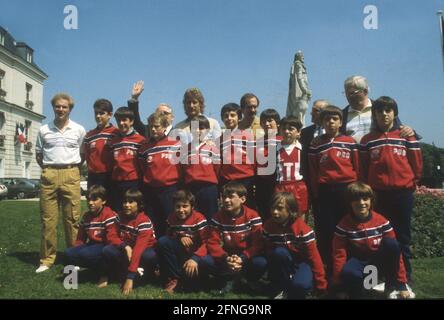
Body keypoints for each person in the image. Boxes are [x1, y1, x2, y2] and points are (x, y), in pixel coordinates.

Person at [360, 96, 422, 283]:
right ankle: (378, 276)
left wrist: (411, 183)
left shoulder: (406, 136)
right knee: (378, 235)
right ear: (374, 115)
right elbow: (364, 168)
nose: (384, 114)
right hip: (378, 195)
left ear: (394, 113)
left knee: (402, 236)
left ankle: (405, 277)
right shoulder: (367, 140)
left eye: (388, 110)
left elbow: (416, 164)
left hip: (402, 194)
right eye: (379, 111)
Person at [331, 182, 414, 299]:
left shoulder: (382, 221)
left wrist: (402, 283)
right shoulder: (343, 225)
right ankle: (363, 286)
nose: (361, 203)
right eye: (356, 200)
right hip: (358, 261)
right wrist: (340, 287)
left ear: (371, 201)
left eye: (365, 199)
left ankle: (392, 285)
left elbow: (397, 253)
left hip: (379, 261)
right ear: (349, 203)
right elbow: (339, 255)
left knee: (392, 244)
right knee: (349, 273)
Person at [35, 93, 86, 273]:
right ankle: (47, 259)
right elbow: (38, 154)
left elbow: (83, 153)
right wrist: (51, 169)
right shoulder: (44, 130)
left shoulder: (79, 129)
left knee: (72, 218)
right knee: (48, 220)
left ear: (70, 109)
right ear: (53, 108)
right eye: (58, 106)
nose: (61, 110)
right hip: (49, 174)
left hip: (71, 173)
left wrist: (71, 169)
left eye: (64, 107)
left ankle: (74, 257)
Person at [308, 105, 359, 274]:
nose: (330, 122)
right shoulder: (316, 144)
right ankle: (328, 270)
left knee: (348, 227)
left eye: (334, 119)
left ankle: (350, 266)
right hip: (325, 191)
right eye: (327, 119)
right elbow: (313, 170)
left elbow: (357, 166)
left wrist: (356, 189)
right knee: (327, 230)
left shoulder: (349, 142)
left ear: (340, 122)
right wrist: (316, 193)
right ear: (322, 122)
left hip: (347, 189)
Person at [200, 182, 266, 295]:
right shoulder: (217, 217)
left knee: (261, 262)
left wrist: (243, 258)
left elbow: (258, 243)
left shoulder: (253, 216)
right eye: (224, 196)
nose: (226, 200)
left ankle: (249, 279)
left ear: (243, 199)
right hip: (228, 256)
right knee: (206, 261)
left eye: (231, 197)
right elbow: (212, 243)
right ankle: (228, 278)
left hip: (246, 255)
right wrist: (226, 258)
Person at [263, 192, 327, 299]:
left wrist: (321, 283)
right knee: (279, 252)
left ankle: (303, 283)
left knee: (300, 286)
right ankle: (281, 285)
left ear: (290, 210)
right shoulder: (268, 226)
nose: (274, 212)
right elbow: (268, 250)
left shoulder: (303, 230)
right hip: (284, 261)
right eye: (272, 208)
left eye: (280, 208)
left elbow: (314, 258)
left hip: (302, 262)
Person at [100, 189, 158, 295]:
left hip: (145, 249)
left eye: (131, 202)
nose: (127, 205)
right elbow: (111, 236)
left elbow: (139, 249)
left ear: (139, 205)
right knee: (107, 250)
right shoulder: (119, 216)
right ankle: (116, 272)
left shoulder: (143, 221)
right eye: (125, 202)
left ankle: (149, 273)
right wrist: (125, 246)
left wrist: (130, 278)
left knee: (148, 256)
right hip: (128, 247)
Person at [157, 190, 209, 293]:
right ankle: (174, 279)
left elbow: (207, 242)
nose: (181, 210)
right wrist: (180, 237)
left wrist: (195, 258)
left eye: (185, 206)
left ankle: (189, 279)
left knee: (194, 284)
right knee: (163, 241)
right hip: (180, 253)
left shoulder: (199, 219)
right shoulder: (171, 218)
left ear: (192, 207)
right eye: (178, 206)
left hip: (196, 254)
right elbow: (169, 237)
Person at [138, 112, 181, 237]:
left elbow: (181, 168)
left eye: (156, 126)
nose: (153, 129)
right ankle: (154, 251)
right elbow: (143, 168)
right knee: (153, 221)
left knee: (170, 221)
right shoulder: (144, 148)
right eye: (151, 126)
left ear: (164, 127)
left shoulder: (175, 144)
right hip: (151, 191)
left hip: (170, 190)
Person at [64, 185, 120, 276]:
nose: (90, 203)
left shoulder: (109, 214)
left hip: (106, 245)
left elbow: (112, 239)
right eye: (88, 199)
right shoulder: (86, 216)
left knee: (85, 254)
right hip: (93, 244)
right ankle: (73, 278)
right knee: (69, 253)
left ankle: (106, 270)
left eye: (94, 199)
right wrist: (76, 251)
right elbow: (80, 238)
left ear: (104, 201)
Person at [340, 75, 415, 143]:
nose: (348, 96)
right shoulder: (341, 115)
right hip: (353, 156)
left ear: (365, 91)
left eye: (352, 93)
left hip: (377, 155)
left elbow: (399, 130)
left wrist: (409, 131)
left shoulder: (382, 109)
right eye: (346, 93)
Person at [180, 115, 220, 220]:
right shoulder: (185, 149)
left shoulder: (212, 148)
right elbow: (183, 169)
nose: (197, 131)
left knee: (211, 216)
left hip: (209, 188)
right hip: (191, 188)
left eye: (201, 128)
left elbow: (217, 168)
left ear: (207, 130)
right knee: (193, 216)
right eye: (194, 128)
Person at [219, 103, 256, 209]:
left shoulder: (247, 136)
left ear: (239, 117)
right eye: (226, 116)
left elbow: (254, 159)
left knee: (247, 209)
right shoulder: (220, 139)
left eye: (232, 115)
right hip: (227, 180)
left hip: (245, 179)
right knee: (229, 209)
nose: (229, 118)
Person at [108, 107, 146, 211]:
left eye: (124, 120)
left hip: (134, 183)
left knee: (134, 212)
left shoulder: (140, 140)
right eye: (118, 120)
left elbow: (143, 165)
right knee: (118, 212)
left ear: (132, 121)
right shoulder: (112, 142)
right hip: (117, 183)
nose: (121, 123)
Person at [275, 116, 309, 216]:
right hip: (281, 186)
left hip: (298, 186)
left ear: (298, 132)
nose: (287, 131)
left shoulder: (303, 149)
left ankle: (300, 232)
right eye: (283, 128)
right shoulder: (275, 149)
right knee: (281, 214)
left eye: (291, 129)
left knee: (300, 213)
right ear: (279, 130)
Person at [83, 99, 119, 191]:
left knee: (111, 204)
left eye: (102, 113)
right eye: (96, 113)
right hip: (93, 177)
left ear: (110, 115)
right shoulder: (89, 135)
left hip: (111, 176)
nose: (98, 116)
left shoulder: (117, 133)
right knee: (94, 204)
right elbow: (86, 156)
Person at [255, 108, 282, 219]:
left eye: (270, 120)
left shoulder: (283, 140)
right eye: (263, 121)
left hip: (278, 183)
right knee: (264, 214)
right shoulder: (258, 141)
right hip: (262, 184)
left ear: (278, 123)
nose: (267, 124)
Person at [286, 51, 312, 126]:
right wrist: (305, 90)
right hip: (299, 91)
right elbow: (300, 78)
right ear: (298, 57)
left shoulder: (297, 65)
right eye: (301, 55)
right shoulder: (298, 64)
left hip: (298, 90)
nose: (303, 57)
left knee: (300, 112)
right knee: (299, 111)